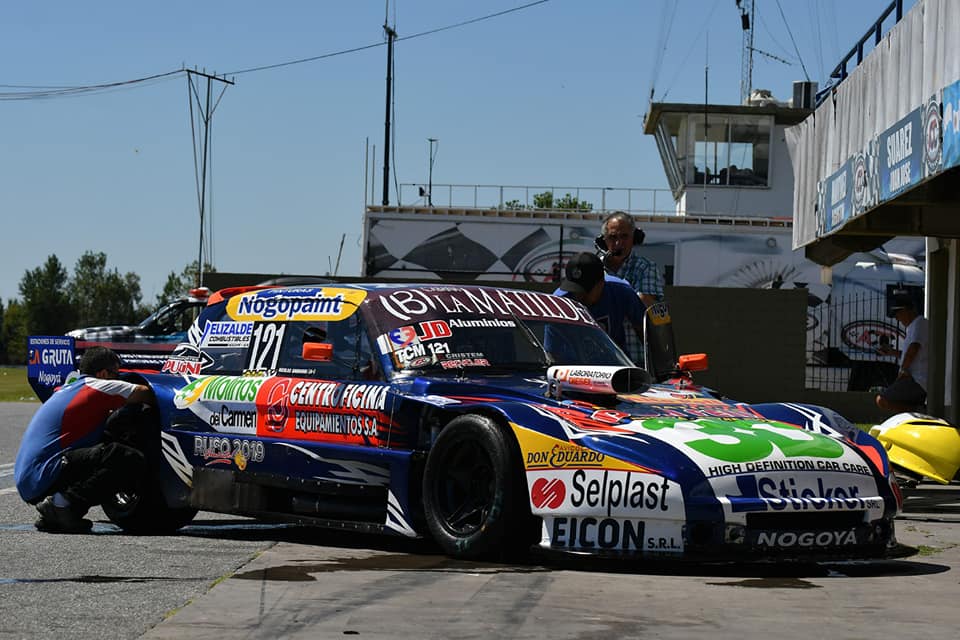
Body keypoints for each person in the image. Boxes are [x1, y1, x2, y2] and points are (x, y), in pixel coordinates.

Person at [15, 346, 155, 533]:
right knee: (127, 458)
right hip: (43, 474)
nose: (118, 378)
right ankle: (62, 505)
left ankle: (58, 514)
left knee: (108, 444)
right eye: (117, 373)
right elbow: (147, 393)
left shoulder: (68, 387)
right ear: (104, 373)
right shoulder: (97, 385)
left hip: (32, 477)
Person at [553, 252, 646, 360]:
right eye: (574, 290)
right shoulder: (559, 302)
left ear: (601, 283)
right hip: (575, 370)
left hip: (616, 365)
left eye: (584, 291)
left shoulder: (621, 290)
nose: (579, 296)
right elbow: (553, 352)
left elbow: (645, 329)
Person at [599, 211, 664, 307]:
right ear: (603, 241)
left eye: (624, 236)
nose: (618, 243)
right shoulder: (595, 267)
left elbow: (642, 304)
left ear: (634, 238)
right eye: (613, 237)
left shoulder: (645, 267)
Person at [875, 295, 928, 413]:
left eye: (897, 314)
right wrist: (891, 352)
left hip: (918, 380)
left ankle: (921, 411)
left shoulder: (919, 323)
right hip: (916, 379)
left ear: (906, 310)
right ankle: (918, 412)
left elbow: (914, 348)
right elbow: (912, 354)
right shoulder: (913, 327)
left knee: (882, 400)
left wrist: (903, 370)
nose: (897, 319)